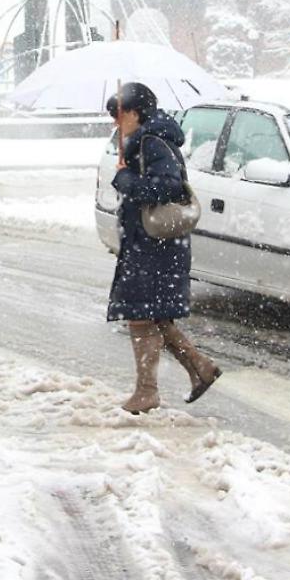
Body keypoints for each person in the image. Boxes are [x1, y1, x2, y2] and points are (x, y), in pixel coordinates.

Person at [107, 82, 221, 413]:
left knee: (141, 316)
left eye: (118, 113)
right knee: (151, 315)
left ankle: (147, 391)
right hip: (152, 245)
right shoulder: (145, 142)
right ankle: (200, 368)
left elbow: (168, 187)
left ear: (133, 112)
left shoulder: (151, 143)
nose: (115, 121)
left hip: (154, 248)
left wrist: (126, 180)